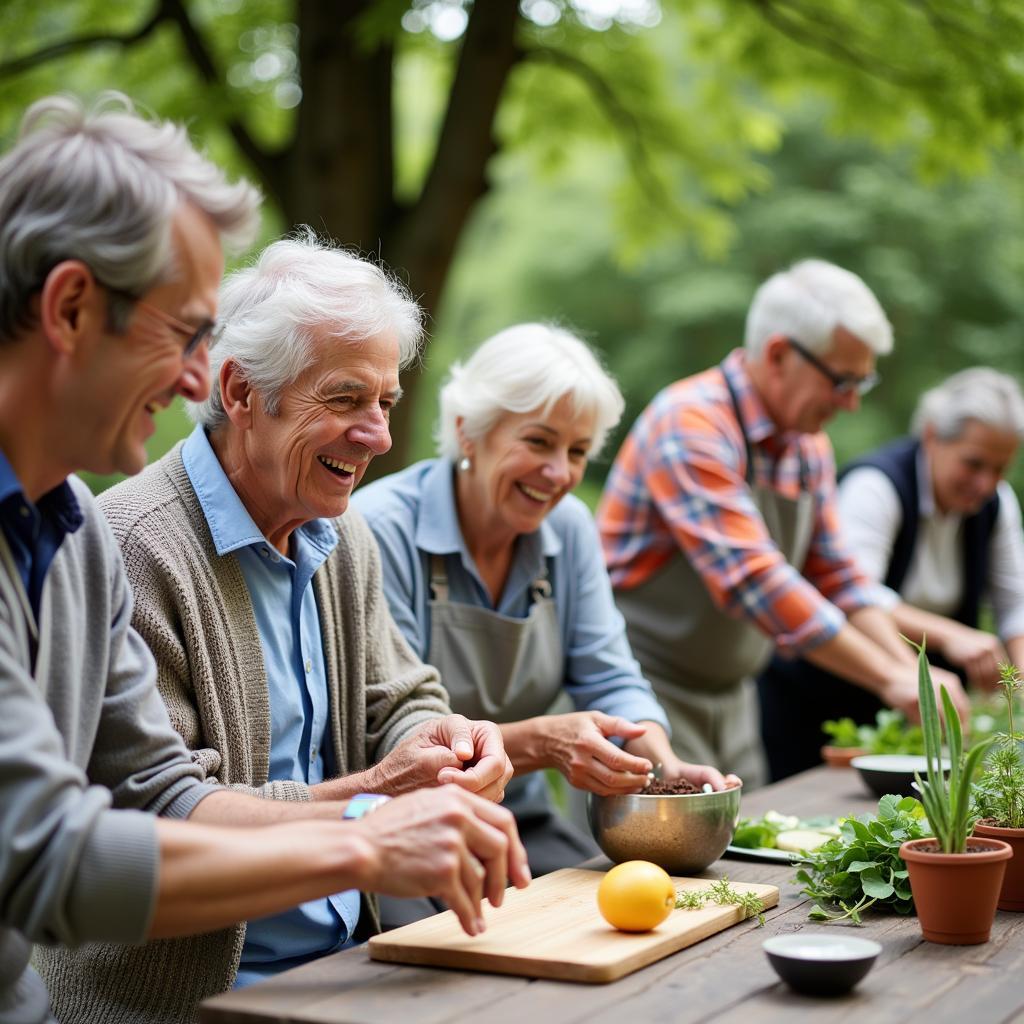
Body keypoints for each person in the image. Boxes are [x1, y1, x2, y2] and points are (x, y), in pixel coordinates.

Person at [0, 94, 527, 1024]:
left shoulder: (67, 529)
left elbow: (151, 792)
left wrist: (403, 782)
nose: (197, 380)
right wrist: (367, 831)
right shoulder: (120, 537)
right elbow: (54, 852)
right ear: (73, 307)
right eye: (181, 333)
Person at [354, 323, 738, 891]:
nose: (559, 473)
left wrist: (662, 764)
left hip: (522, 819)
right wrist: (542, 743)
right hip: (402, 827)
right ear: (467, 433)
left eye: (577, 451)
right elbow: (395, 738)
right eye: (537, 442)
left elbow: (610, 676)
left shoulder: (568, 528)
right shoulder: (379, 529)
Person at [597, 259, 968, 787]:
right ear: (778, 354)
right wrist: (890, 678)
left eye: (862, 381)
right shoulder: (690, 423)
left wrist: (914, 674)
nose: (852, 402)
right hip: (646, 694)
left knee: (745, 856)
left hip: (735, 696)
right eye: (842, 381)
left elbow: (840, 579)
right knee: (654, 864)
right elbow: (755, 580)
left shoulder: (808, 445)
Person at [758, 367, 1024, 778]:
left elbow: (1016, 608)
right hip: (823, 703)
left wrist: (1018, 690)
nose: (985, 482)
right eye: (973, 463)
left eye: (999, 468)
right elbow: (852, 595)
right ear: (933, 437)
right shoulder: (874, 485)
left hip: (912, 704)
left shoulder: (997, 505)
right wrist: (949, 635)